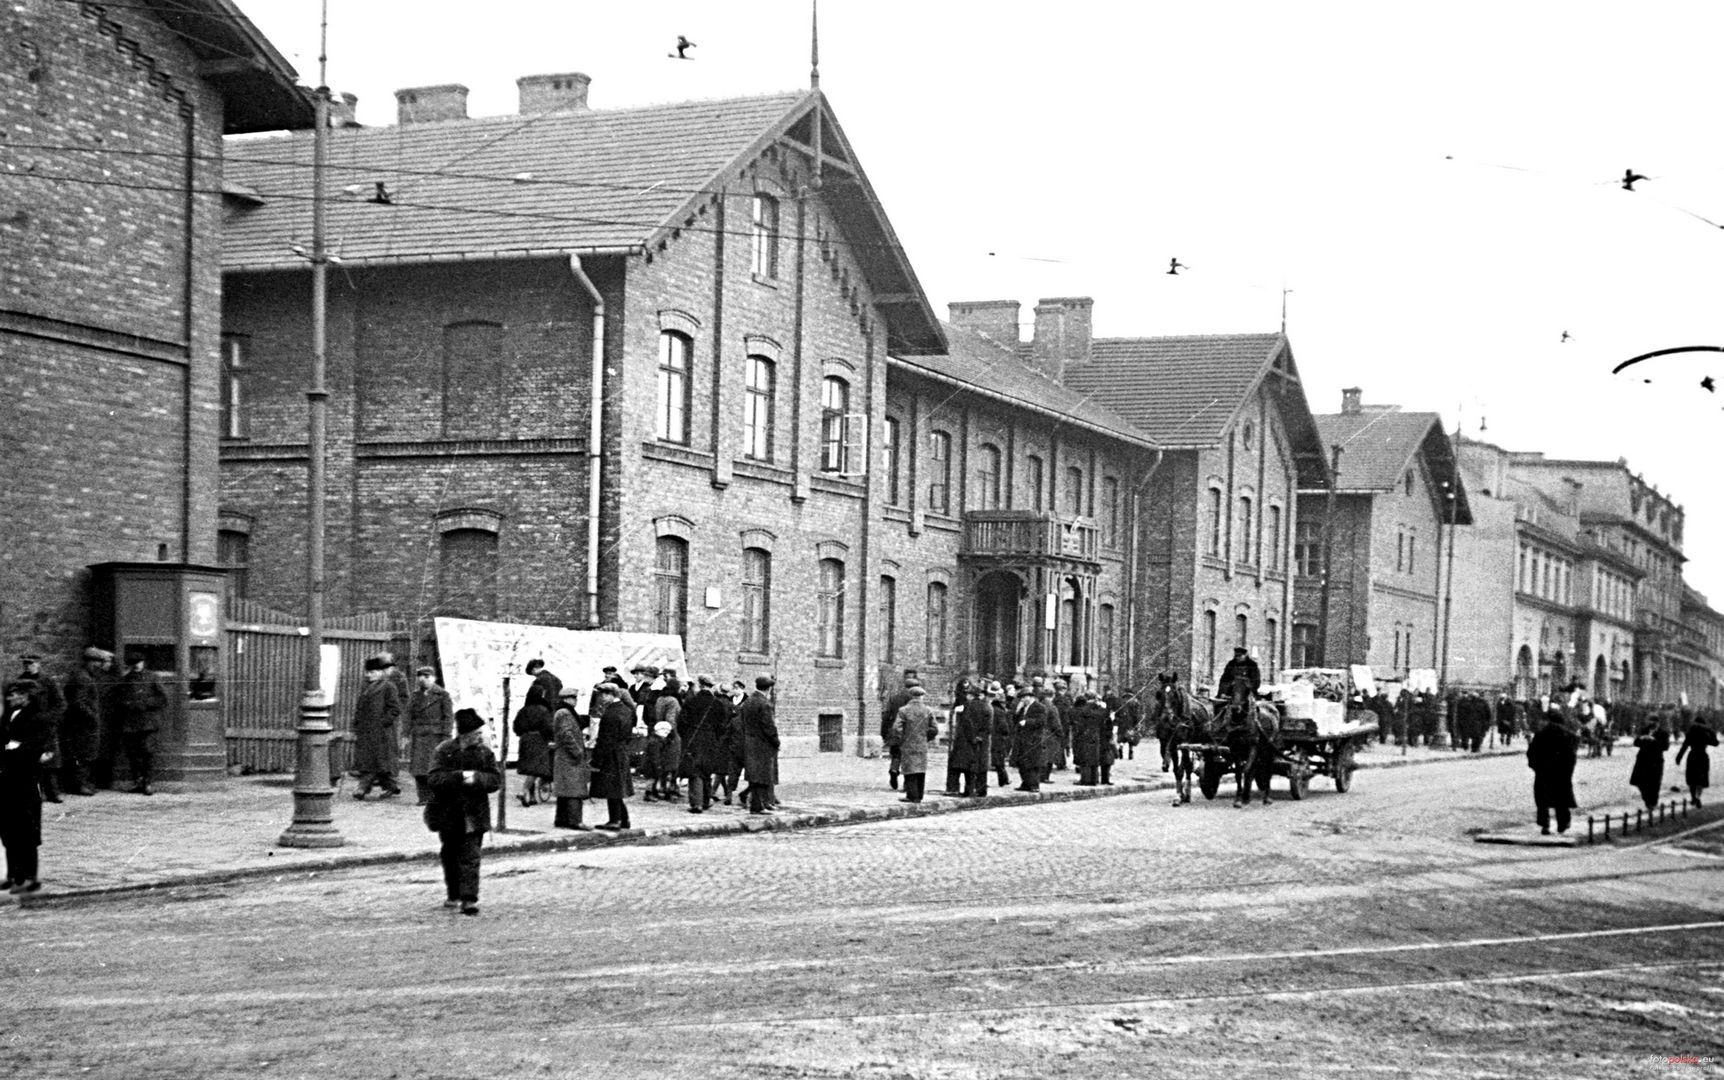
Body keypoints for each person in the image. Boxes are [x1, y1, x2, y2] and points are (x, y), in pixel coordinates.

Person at [425, 708, 501, 916]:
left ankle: (469, 899)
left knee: (471, 856)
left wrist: (476, 778)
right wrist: (459, 777)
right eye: (477, 733)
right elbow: (433, 779)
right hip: (448, 813)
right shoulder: (444, 751)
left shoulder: (485, 753)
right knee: (449, 855)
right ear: (465, 734)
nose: (480, 737)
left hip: (474, 814)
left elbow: (495, 780)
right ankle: (454, 894)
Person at [2, 681, 48, 893]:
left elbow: (34, 748)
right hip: (8, 780)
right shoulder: (8, 715)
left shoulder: (35, 717)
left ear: (25, 696)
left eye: (13, 694)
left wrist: (12, 749)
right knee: (9, 829)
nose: (9, 698)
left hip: (26, 782)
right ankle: (13, 876)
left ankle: (31, 877)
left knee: (27, 831)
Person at [351, 656, 403, 799]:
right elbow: (360, 708)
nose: (369, 675)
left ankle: (362, 788)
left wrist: (383, 723)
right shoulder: (366, 687)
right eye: (368, 672)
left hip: (381, 733)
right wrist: (356, 723)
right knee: (376, 762)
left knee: (373, 762)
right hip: (366, 731)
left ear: (381, 672)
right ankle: (392, 786)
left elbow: (394, 709)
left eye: (373, 672)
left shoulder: (388, 686)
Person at [115, 651, 166, 796]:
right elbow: (118, 698)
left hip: (148, 723)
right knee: (133, 754)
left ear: (143, 662)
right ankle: (138, 781)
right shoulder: (125, 680)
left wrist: (145, 704)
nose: (136, 665)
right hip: (131, 723)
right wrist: (126, 704)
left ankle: (148, 782)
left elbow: (162, 699)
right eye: (133, 663)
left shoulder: (152, 677)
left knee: (147, 752)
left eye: (139, 662)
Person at [59, 647, 107, 796]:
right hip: (82, 725)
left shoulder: (84, 676)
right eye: (96, 662)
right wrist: (92, 716)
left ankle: (82, 783)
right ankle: (79, 785)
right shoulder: (83, 678)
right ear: (89, 662)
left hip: (82, 724)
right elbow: (77, 702)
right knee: (83, 754)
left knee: (85, 753)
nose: (98, 666)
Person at [17, 654, 64, 804]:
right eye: (25, 663)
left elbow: (60, 703)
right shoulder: (20, 681)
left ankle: (52, 793)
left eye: (31, 663)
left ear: (38, 664)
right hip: (28, 727)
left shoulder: (47, 681)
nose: (27, 666)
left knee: (49, 762)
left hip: (45, 728)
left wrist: (49, 718)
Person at [588, 683, 635, 830]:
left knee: (612, 789)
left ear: (609, 695)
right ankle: (624, 819)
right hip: (621, 752)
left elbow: (605, 740)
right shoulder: (626, 710)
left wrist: (596, 761)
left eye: (602, 695)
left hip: (610, 755)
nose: (601, 698)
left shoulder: (610, 714)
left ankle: (615, 820)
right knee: (617, 788)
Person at [407, 666, 454, 805]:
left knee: (434, 768)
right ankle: (423, 797)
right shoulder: (415, 696)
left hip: (436, 736)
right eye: (420, 677)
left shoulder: (443, 695)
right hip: (419, 735)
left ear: (434, 678)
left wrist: (446, 736)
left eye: (427, 677)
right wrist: (405, 733)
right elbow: (408, 716)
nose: (423, 680)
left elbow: (448, 717)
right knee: (419, 769)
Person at [1526, 710, 1577, 835]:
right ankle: (1563, 823)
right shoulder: (1567, 735)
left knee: (1542, 800)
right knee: (1561, 799)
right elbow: (1571, 756)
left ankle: (1545, 824)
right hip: (1561, 773)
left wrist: (1536, 767)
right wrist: (1568, 771)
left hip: (1543, 772)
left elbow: (1531, 753)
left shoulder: (1541, 734)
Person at [679, 675, 724, 813]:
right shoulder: (717, 703)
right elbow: (722, 726)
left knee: (695, 771)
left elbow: (681, 722)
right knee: (706, 770)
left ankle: (696, 803)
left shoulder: (691, 701)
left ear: (699, 684)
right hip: (710, 740)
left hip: (693, 739)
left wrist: (686, 736)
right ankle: (706, 801)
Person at [550, 691, 590, 830]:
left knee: (565, 790)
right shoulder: (565, 713)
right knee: (574, 789)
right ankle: (575, 821)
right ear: (566, 699)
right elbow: (566, 734)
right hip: (569, 758)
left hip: (565, 757)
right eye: (573, 698)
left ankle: (561, 819)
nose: (575, 700)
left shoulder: (563, 712)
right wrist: (577, 751)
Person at [740, 675, 780, 814]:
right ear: (769, 688)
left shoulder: (748, 701)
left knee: (754, 775)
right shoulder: (765, 704)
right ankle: (758, 805)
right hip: (763, 744)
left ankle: (759, 803)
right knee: (763, 775)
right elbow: (769, 726)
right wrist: (776, 741)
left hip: (749, 741)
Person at [892, 685, 938, 803]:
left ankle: (911, 795)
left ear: (911, 696)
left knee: (910, 769)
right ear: (922, 696)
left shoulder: (904, 710)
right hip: (922, 744)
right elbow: (934, 729)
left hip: (908, 744)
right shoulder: (928, 710)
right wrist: (926, 738)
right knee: (920, 770)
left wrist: (901, 739)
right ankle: (919, 795)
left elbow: (897, 728)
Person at [511, 692, 554, 807]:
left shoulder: (522, 710)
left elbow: (516, 727)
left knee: (530, 767)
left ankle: (532, 797)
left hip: (525, 739)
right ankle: (524, 790)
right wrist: (551, 738)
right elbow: (548, 727)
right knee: (536, 768)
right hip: (538, 739)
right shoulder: (543, 710)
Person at [880, 669, 918, 791]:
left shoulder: (895, 697)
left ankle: (894, 769)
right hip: (909, 732)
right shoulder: (915, 700)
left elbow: (887, 714)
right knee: (909, 758)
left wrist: (884, 732)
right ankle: (907, 784)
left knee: (896, 754)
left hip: (895, 731)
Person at [1674, 713, 1716, 808]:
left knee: (1692, 779)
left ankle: (1693, 798)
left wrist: (1679, 757)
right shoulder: (1706, 733)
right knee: (1701, 780)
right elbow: (1715, 743)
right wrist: (1711, 731)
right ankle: (1698, 797)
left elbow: (1684, 746)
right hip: (1702, 757)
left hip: (1692, 756)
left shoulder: (1691, 732)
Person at [1013, 686, 1051, 792]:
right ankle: (1025, 783)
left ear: (1029, 697)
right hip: (1023, 738)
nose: (1022, 700)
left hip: (1034, 739)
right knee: (1022, 763)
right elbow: (1015, 720)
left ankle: (1034, 785)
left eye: (1023, 698)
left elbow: (1042, 721)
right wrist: (1017, 710)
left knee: (1033, 763)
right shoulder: (1023, 708)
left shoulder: (1039, 707)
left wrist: (1027, 722)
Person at [1629, 718, 1670, 812]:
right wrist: (1641, 738)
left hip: (1656, 761)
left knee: (1654, 784)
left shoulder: (1663, 733)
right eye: (1651, 721)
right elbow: (1636, 743)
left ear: (1658, 723)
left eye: (1655, 722)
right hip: (1642, 760)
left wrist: (1653, 740)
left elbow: (1665, 747)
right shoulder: (1644, 731)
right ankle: (1647, 800)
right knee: (1639, 782)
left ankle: (1652, 803)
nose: (1652, 724)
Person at [1071, 692, 1108, 786]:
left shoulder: (1085, 709)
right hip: (1095, 736)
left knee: (1085, 759)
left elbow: (1080, 721)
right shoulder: (1100, 710)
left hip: (1084, 735)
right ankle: (1094, 779)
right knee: (1094, 759)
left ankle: (1085, 780)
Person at [989, 683, 1014, 791]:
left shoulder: (991, 708)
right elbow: (1004, 727)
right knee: (999, 761)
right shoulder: (1000, 712)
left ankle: (1003, 779)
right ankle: (1003, 779)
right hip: (998, 738)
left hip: (991, 737)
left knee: (993, 760)